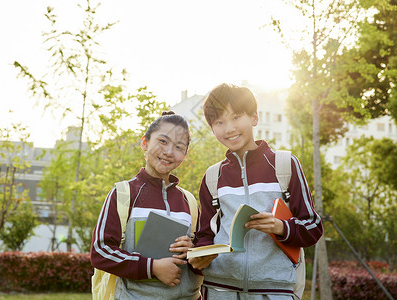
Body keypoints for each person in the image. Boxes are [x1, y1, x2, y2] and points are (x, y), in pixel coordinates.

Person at [189, 83, 323, 299]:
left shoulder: (285, 165)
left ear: (254, 118)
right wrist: (199, 256)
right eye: (219, 122)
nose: (229, 128)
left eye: (235, 117)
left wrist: (280, 227)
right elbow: (206, 235)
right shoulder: (213, 177)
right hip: (218, 290)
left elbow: (313, 227)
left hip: (273, 290)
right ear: (212, 129)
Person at [90, 111, 203, 300]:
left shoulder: (189, 201)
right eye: (163, 141)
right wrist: (152, 267)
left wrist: (192, 250)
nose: (168, 152)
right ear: (145, 142)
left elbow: (203, 256)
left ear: (184, 155)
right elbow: (101, 252)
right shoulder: (123, 194)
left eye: (178, 146)